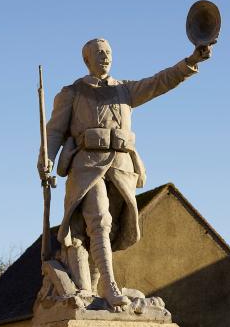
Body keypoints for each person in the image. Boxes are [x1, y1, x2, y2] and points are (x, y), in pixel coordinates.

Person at [38, 38, 212, 309]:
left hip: (121, 168)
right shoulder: (72, 92)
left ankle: (95, 287)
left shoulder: (125, 90)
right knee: (100, 220)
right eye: (98, 53)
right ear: (87, 60)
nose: (105, 57)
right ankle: (110, 286)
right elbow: (55, 131)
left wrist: (190, 62)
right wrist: (46, 159)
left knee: (110, 229)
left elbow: (160, 81)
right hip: (88, 166)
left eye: (108, 53)